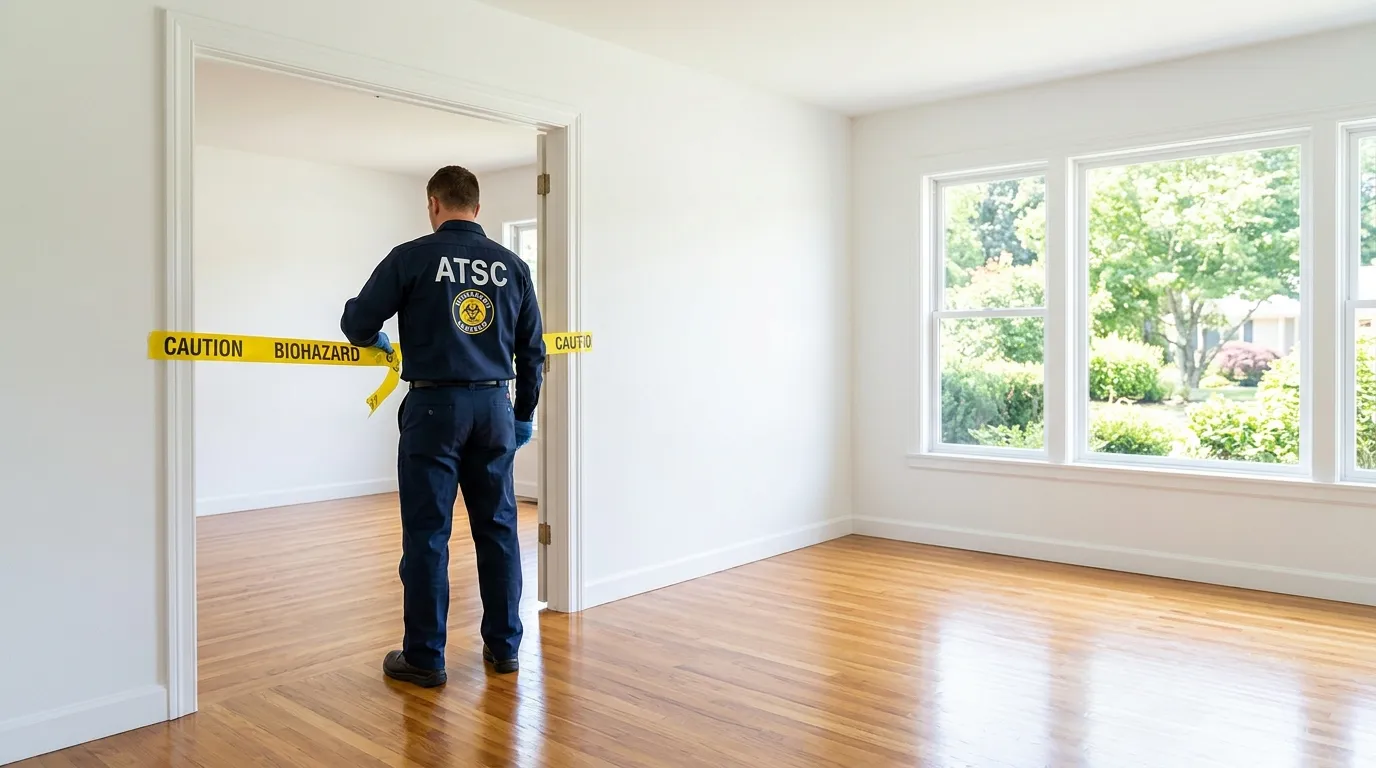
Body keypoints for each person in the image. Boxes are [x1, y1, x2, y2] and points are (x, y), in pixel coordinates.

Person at [340, 165, 545, 687]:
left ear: (434, 204)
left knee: (428, 534)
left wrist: (376, 341)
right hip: (495, 409)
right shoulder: (513, 266)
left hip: (434, 409)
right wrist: (523, 414)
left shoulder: (412, 257)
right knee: (499, 530)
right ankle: (505, 649)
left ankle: (426, 658)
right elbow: (532, 351)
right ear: (477, 208)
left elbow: (358, 322)